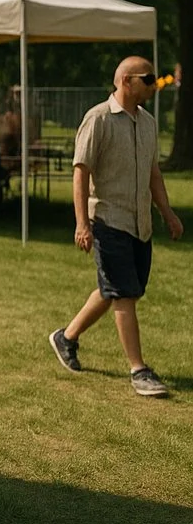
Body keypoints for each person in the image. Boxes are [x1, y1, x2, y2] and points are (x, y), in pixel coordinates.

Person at [48, 57, 183, 398]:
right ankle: (139, 370)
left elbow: (153, 173)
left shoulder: (149, 123)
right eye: (147, 79)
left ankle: (66, 337)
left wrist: (167, 213)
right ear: (126, 81)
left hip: (140, 223)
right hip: (109, 220)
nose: (154, 85)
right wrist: (82, 223)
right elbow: (81, 172)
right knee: (125, 294)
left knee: (114, 290)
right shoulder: (98, 119)